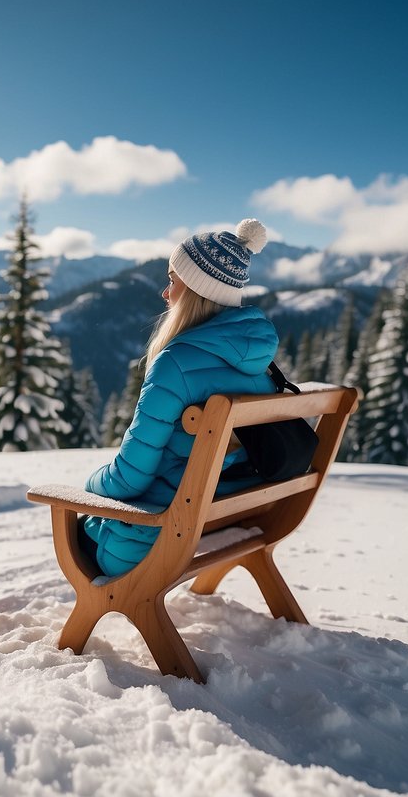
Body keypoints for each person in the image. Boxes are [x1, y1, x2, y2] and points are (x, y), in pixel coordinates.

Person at [80, 218, 279, 576]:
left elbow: (129, 479)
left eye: (172, 281)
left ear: (195, 290)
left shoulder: (176, 364)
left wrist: (90, 485)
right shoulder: (261, 368)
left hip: (154, 539)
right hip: (225, 522)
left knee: (78, 530)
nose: (165, 292)